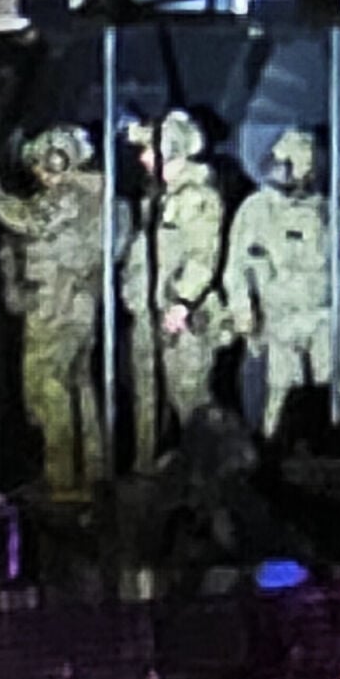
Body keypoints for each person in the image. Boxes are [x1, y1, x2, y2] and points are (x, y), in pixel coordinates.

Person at [0, 125, 127, 498]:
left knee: (49, 386)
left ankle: (62, 478)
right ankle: (92, 471)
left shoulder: (71, 195)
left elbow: (28, 219)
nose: (38, 173)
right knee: (77, 383)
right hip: (76, 303)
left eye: (41, 164)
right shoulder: (95, 194)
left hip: (58, 305)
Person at [226, 128, 340, 442]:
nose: (281, 171)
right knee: (281, 392)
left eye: (289, 164)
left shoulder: (329, 209)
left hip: (323, 317)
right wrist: (243, 313)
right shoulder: (257, 209)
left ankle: (330, 447)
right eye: (279, 163)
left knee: (333, 390)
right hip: (280, 319)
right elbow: (236, 267)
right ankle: (274, 447)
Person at [122, 110, 233, 470]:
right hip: (148, 311)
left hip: (181, 317)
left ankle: (208, 475)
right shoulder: (157, 198)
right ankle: (145, 471)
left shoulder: (197, 197)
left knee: (189, 397)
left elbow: (204, 256)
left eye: (148, 150)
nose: (142, 158)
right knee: (145, 396)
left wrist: (183, 302)